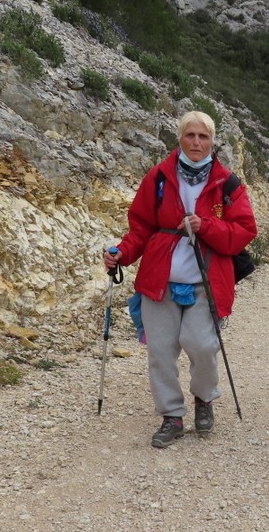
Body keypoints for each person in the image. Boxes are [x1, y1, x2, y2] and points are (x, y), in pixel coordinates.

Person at [104, 111, 257, 448]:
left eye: (203, 136)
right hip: (160, 281)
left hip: (208, 282)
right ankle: (171, 415)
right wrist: (122, 253)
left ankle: (204, 399)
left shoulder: (227, 183)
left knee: (202, 345)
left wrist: (207, 226)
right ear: (180, 138)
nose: (197, 142)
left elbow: (245, 230)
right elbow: (141, 227)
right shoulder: (158, 178)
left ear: (213, 141)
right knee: (160, 352)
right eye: (190, 135)